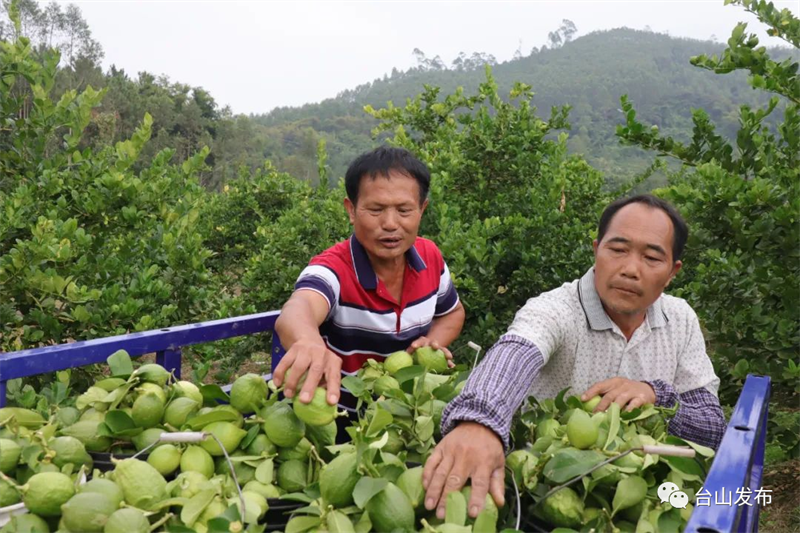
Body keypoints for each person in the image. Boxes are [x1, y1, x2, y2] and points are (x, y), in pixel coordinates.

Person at [422, 194, 726, 521]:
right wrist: (480, 421)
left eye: (652, 258)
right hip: (545, 500)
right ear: (596, 251)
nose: (630, 269)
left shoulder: (679, 320)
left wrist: (656, 395)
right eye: (618, 249)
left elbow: (711, 425)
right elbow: (516, 351)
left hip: (635, 503)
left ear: (672, 272)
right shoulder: (558, 310)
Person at [272, 146, 465, 411]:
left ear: (422, 209)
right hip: (337, 420)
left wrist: (432, 343)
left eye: (404, 211)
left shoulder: (429, 257)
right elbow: (299, 307)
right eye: (375, 210)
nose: (390, 223)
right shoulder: (334, 268)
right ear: (351, 210)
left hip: (407, 415)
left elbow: (452, 313)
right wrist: (307, 340)